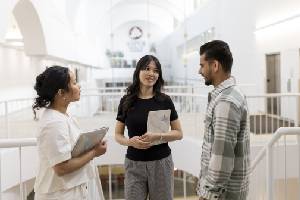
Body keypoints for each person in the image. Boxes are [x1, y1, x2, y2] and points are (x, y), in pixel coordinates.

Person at [33, 66, 107, 200]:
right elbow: (61, 167)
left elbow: (71, 151)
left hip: (68, 190)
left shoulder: (62, 116)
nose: (79, 86)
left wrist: (90, 145)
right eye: (73, 83)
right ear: (61, 93)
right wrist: (94, 152)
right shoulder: (54, 123)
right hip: (59, 195)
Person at [115, 55, 183, 200]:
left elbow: (178, 133)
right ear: (138, 71)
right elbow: (118, 135)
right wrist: (130, 142)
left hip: (161, 163)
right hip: (134, 164)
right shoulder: (126, 101)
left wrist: (158, 136)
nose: (151, 73)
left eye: (156, 70)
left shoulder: (165, 100)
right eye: (147, 69)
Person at [196, 40, 250, 200]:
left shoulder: (225, 102)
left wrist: (207, 194)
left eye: (202, 65)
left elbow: (221, 158)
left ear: (215, 66)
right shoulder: (233, 94)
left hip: (220, 195)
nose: (199, 71)